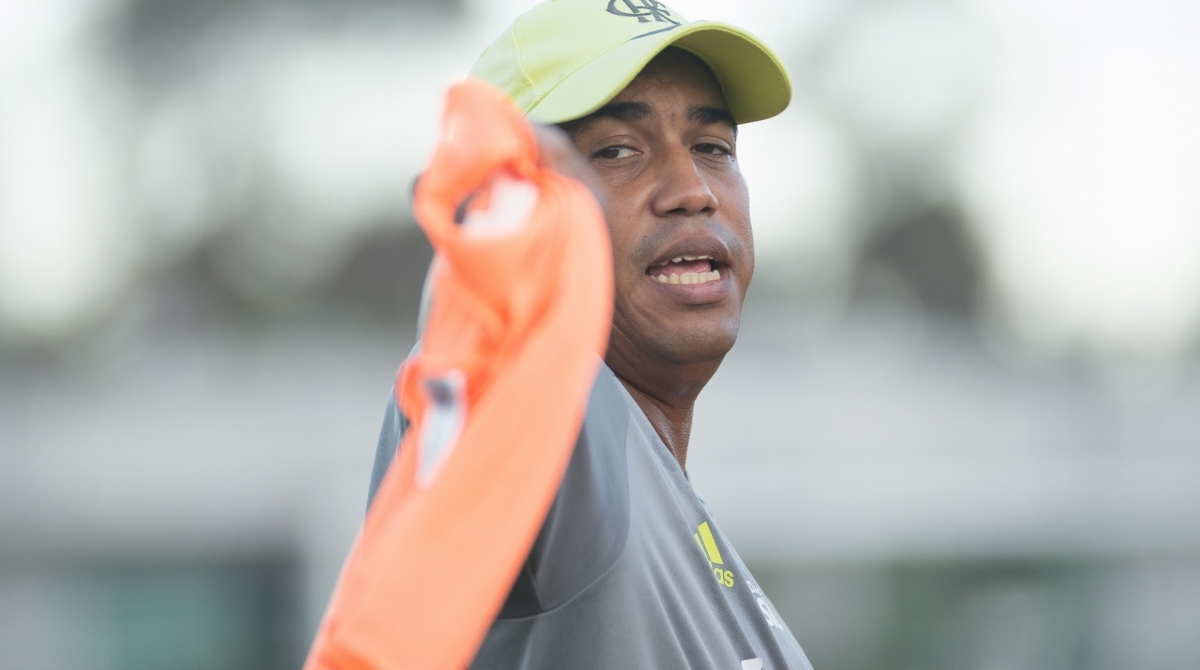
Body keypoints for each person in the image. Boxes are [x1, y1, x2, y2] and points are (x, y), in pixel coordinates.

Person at [368, 1, 811, 667]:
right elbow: (495, 362)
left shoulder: (663, 495)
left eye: (712, 147)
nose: (692, 189)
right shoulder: (551, 416)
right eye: (618, 150)